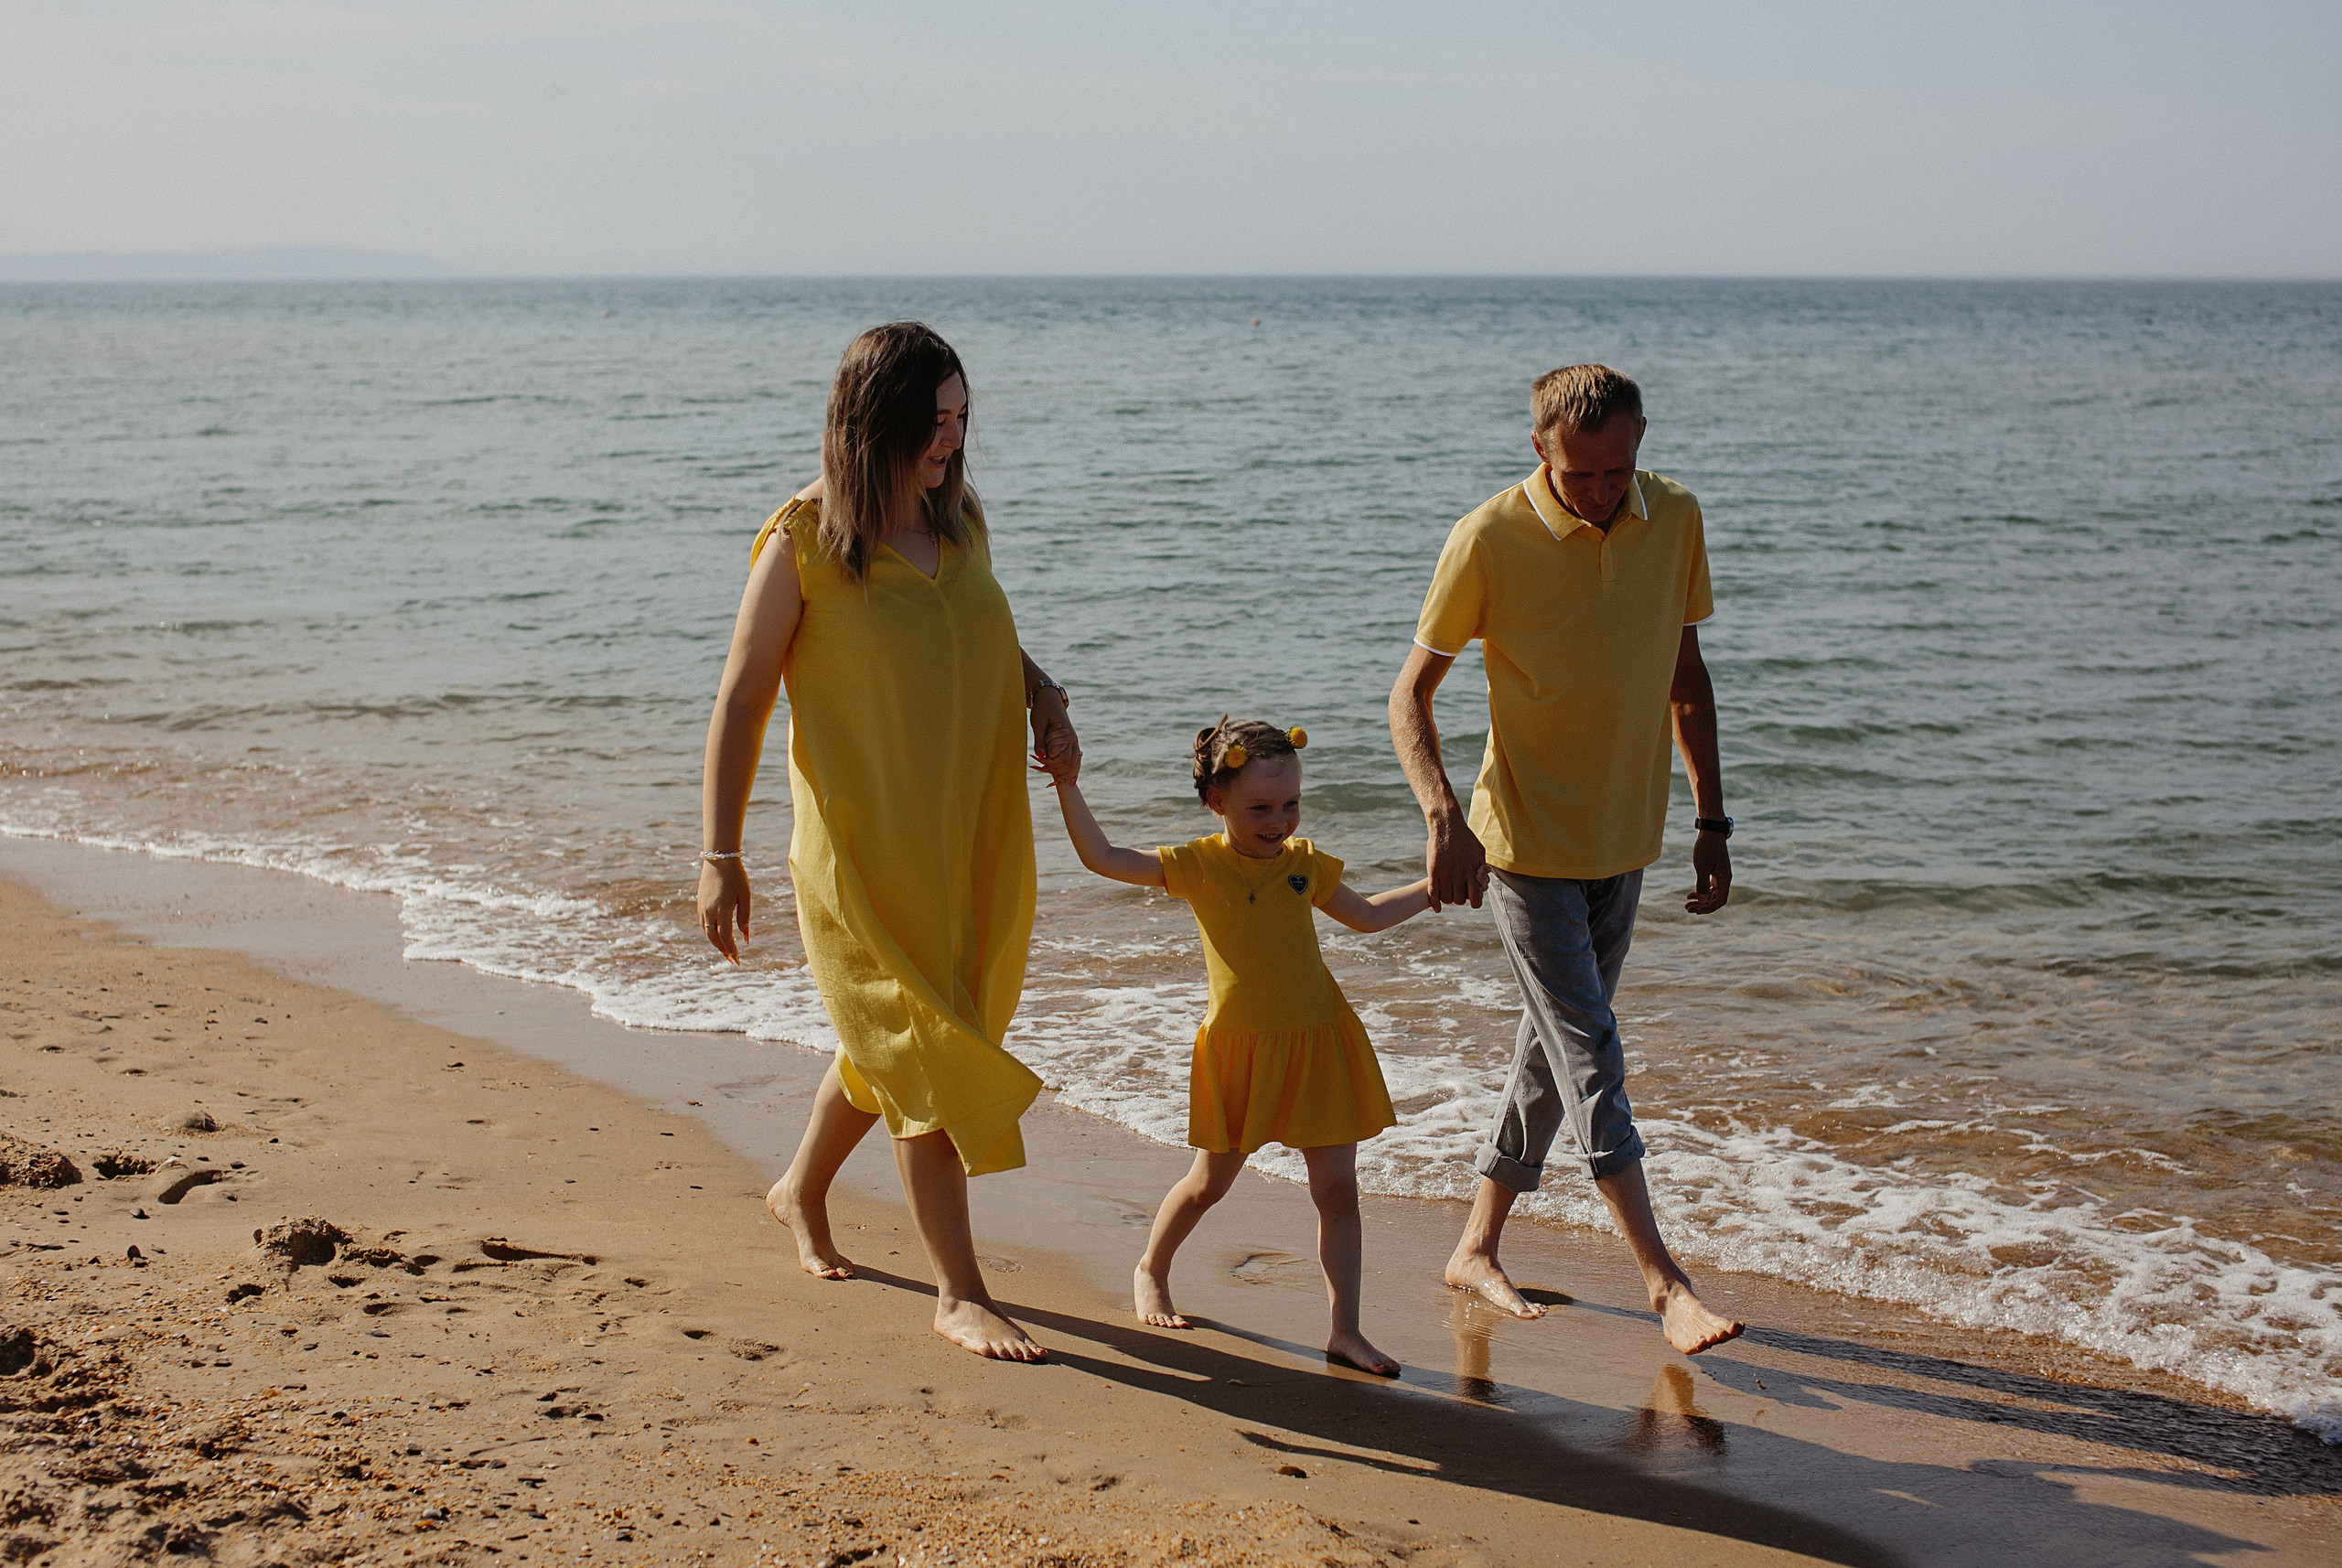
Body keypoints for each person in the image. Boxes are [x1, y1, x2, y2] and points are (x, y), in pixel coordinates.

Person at [696, 321, 1077, 1362]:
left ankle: (797, 1190)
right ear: (877, 424)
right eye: (934, 421)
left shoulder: (958, 525)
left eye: (962, 419)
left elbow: (985, 631)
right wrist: (718, 855)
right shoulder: (804, 541)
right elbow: (741, 699)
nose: (953, 441)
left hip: (963, 839)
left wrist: (1042, 694)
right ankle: (959, 1290)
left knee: (901, 1036)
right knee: (922, 1051)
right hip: (859, 856)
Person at [1388, 362, 1744, 1356]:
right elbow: (1409, 696)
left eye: (1619, 471)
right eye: (1582, 475)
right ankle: (1663, 1283)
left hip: (1625, 837)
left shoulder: (1672, 516)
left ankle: (1474, 1246)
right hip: (1523, 844)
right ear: (1538, 449)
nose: (1602, 492)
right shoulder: (1488, 537)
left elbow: (1686, 678)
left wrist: (1712, 823)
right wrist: (1441, 817)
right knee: (1589, 1048)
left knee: (1549, 1054)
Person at [1050, 716, 1432, 1377]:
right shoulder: (1198, 866)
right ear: (1215, 801)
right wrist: (1067, 785)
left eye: (1290, 805)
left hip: (1319, 1042)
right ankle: (1151, 1268)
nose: (1278, 821)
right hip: (1240, 1050)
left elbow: (1367, 916)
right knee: (1207, 1184)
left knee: (1339, 1191)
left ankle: (1346, 1330)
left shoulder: (1305, 865)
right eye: (1260, 807)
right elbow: (1103, 858)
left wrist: (1438, 887)